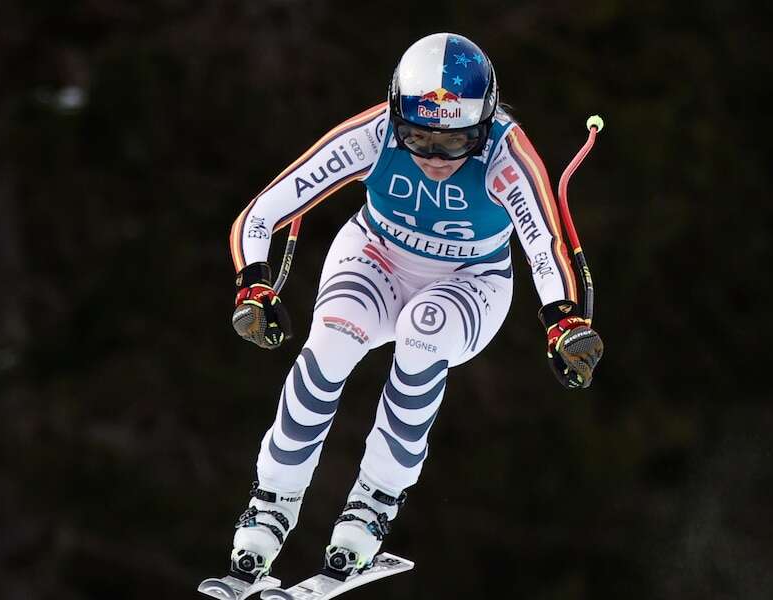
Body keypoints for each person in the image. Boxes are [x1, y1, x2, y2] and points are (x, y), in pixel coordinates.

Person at [224, 32, 604, 582]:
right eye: (417, 138)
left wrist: (562, 320)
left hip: (469, 279)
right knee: (330, 341)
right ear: (396, 116)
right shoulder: (375, 134)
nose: (433, 158)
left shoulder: (505, 154)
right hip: (376, 255)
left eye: (454, 144)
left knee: (423, 333)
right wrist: (253, 287)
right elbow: (260, 213)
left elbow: (544, 243)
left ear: (483, 125)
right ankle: (271, 503)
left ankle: (374, 501)